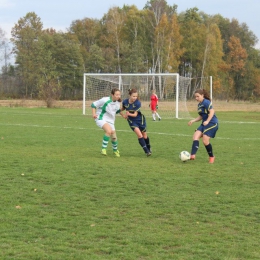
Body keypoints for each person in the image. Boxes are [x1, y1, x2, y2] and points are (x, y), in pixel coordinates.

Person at [188, 89, 219, 163]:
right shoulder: (199, 105)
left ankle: (211, 157)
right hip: (204, 123)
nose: (196, 98)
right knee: (195, 136)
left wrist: (208, 120)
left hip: (212, 123)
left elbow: (212, 111)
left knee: (205, 141)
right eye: (195, 97)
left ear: (202, 95)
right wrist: (193, 120)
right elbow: (202, 116)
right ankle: (192, 155)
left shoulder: (206, 102)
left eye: (198, 96)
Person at [91, 88, 124, 157]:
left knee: (114, 137)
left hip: (111, 120)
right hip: (101, 118)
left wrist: (123, 114)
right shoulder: (105, 100)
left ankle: (115, 151)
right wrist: (94, 114)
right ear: (112, 95)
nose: (118, 96)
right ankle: (103, 149)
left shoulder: (118, 102)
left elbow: (117, 111)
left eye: (119, 95)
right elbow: (93, 105)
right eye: (117, 95)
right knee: (108, 131)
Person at [121, 88, 152, 156]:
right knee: (139, 135)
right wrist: (123, 115)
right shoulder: (125, 102)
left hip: (140, 120)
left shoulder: (138, 103)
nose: (135, 98)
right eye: (133, 96)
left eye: (136, 96)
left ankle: (149, 147)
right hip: (132, 121)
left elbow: (135, 114)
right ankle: (147, 151)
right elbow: (120, 110)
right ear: (130, 95)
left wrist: (128, 114)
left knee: (144, 135)